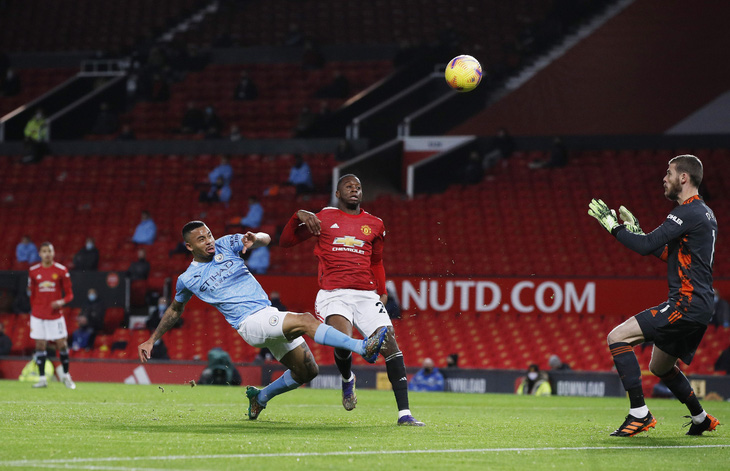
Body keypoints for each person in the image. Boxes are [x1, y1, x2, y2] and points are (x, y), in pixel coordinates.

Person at [137, 221, 387, 421]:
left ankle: (260, 397)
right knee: (306, 320)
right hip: (250, 324)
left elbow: (267, 239)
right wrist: (151, 339)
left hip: (267, 313)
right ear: (189, 247)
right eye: (201, 239)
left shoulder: (225, 244)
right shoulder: (188, 278)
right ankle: (361, 347)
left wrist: (255, 238)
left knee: (308, 371)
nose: (209, 241)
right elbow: (174, 310)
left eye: (209, 234)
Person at [588, 154, 719, 436]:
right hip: (700, 306)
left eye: (669, 173)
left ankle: (640, 414)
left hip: (685, 303)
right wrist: (638, 232)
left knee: (617, 337)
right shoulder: (704, 213)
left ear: (684, 178)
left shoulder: (687, 212)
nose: (664, 178)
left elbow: (646, 246)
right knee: (660, 366)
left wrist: (614, 228)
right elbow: (675, 255)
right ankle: (701, 418)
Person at [280, 174, 424, 426]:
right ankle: (347, 379)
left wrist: (382, 290)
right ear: (338, 194)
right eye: (348, 186)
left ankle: (405, 415)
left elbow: (377, 261)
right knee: (344, 344)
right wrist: (298, 215)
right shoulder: (324, 217)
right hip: (333, 294)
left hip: (366, 295)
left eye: (358, 186)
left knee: (390, 345)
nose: (354, 190)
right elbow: (286, 242)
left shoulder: (375, 224)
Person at [28, 242, 76, 389]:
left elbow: (69, 294)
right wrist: (34, 310)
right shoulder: (33, 271)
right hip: (38, 315)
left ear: (53, 253)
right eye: (44, 251)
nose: (47, 254)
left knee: (62, 344)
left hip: (55, 315)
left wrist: (61, 301)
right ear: (40, 254)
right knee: (40, 345)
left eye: (49, 251)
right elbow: (31, 293)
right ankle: (42, 378)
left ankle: (66, 376)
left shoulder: (61, 270)